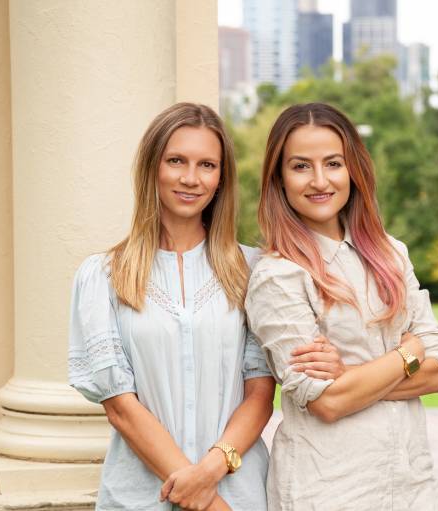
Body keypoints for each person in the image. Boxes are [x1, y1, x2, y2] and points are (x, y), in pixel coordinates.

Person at [68, 103, 282, 510]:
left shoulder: (253, 270)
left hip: (238, 493)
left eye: (207, 165)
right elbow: (120, 407)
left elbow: (259, 394)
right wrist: (205, 499)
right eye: (176, 161)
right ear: (153, 168)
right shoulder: (103, 276)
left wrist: (210, 474)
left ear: (221, 178)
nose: (191, 178)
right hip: (141, 499)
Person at [245, 102, 438, 510]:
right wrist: (408, 353)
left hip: (411, 486)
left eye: (333, 163)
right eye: (301, 166)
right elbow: (327, 402)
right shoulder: (278, 276)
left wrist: (351, 376)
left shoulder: (392, 254)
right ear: (279, 178)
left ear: (353, 169)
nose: (319, 180)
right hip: (328, 489)